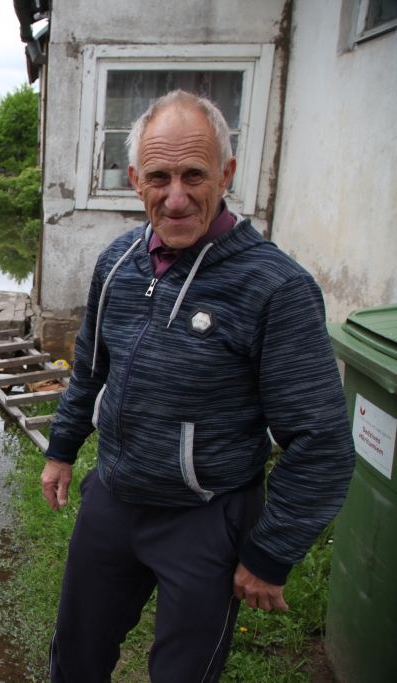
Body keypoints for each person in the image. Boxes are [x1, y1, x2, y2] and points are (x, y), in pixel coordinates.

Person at [41, 90, 355, 683]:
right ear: (135, 179)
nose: (176, 197)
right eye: (159, 176)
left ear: (227, 174)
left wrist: (269, 553)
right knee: (75, 656)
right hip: (112, 497)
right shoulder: (117, 262)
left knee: (184, 673)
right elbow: (88, 370)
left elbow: (323, 443)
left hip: (206, 515)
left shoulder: (275, 288)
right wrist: (62, 450)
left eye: (194, 175)